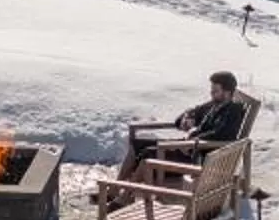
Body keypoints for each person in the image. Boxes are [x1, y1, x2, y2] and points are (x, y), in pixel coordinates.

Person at [101, 71, 247, 205]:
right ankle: (116, 189)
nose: (211, 94)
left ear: (227, 93)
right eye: (211, 90)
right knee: (137, 145)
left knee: (149, 155)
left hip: (196, 157)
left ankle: (126, 196)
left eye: (215, 91)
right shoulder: (213, 105)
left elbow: (222, 136)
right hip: (188, 146)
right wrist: (186, 118)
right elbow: (187, 115)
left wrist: (192, 140)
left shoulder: (232, 112)